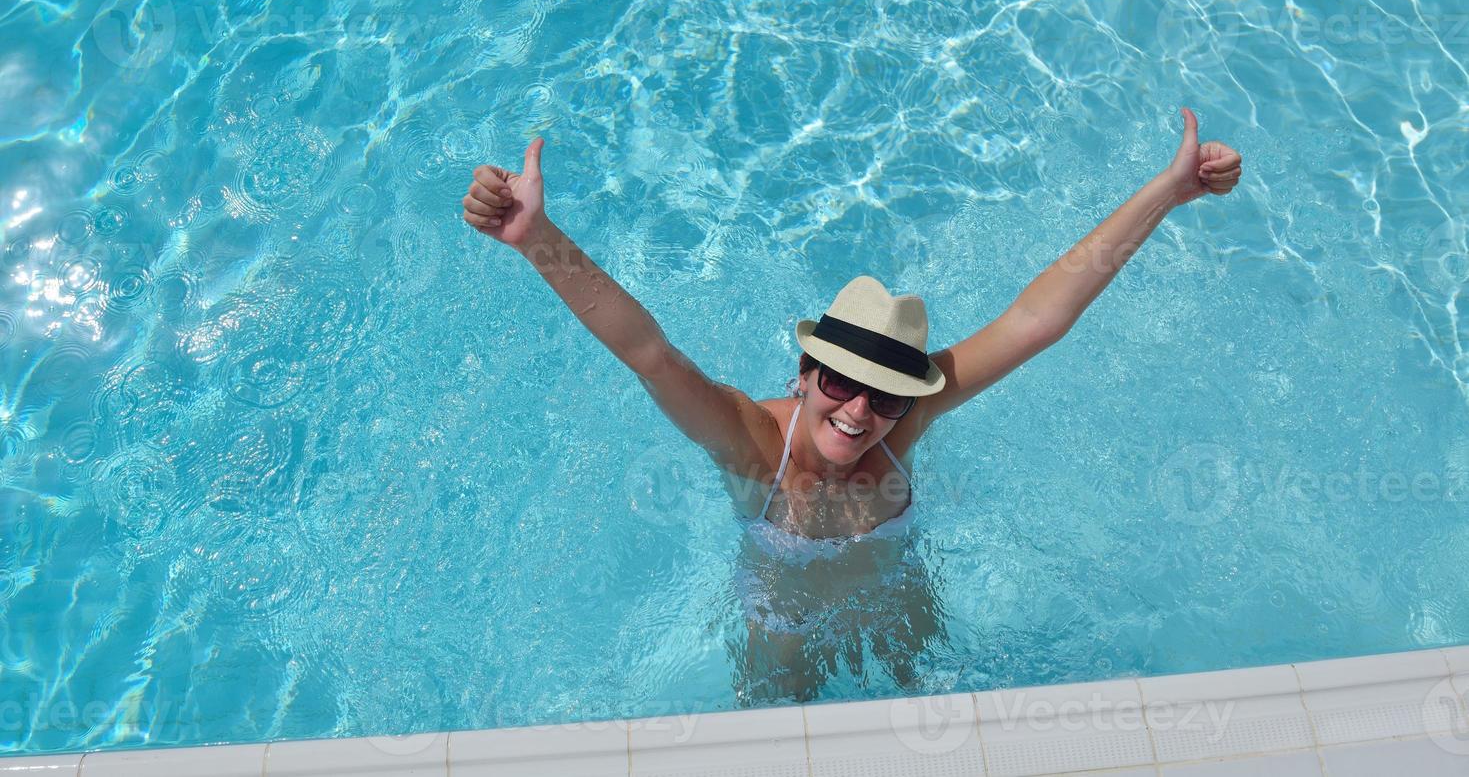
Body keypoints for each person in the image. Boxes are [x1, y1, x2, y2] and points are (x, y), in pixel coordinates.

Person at [461, 107, 1243, 702]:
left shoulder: (910, 420)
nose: (859, 412)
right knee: (780, 738)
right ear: (802, 373)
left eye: (888, 396)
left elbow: (1037, 320)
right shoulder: (749, 442)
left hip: (899, 597)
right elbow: (649, 353)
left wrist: (1165, 194)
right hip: (784, 621)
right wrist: (540, 240)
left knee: (932, 718)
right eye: (837, 383)